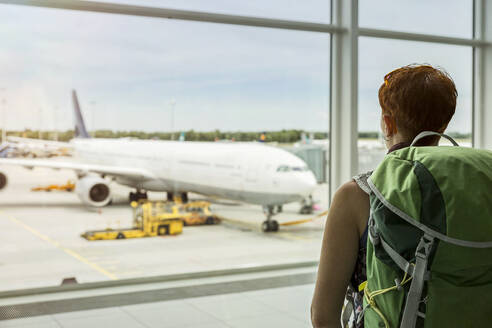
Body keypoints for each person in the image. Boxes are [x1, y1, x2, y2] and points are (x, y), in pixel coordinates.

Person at [310, 64, 457, 328]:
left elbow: (323, 316)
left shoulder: (357, 196)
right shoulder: (472, 191)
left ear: (387, 124)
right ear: (444, 125)